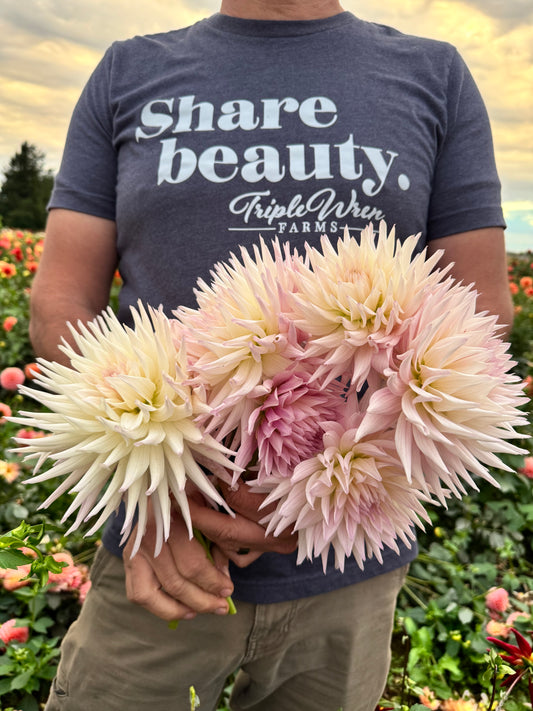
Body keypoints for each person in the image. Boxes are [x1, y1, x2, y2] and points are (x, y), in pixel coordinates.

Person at [31, 1, 513, 709]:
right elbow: (61, 303)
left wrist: (333, 483)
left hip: (350, 568)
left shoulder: (433, 74)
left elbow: (481, 313)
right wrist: (160, 496)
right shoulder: (127, 72)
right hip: (160, 556)